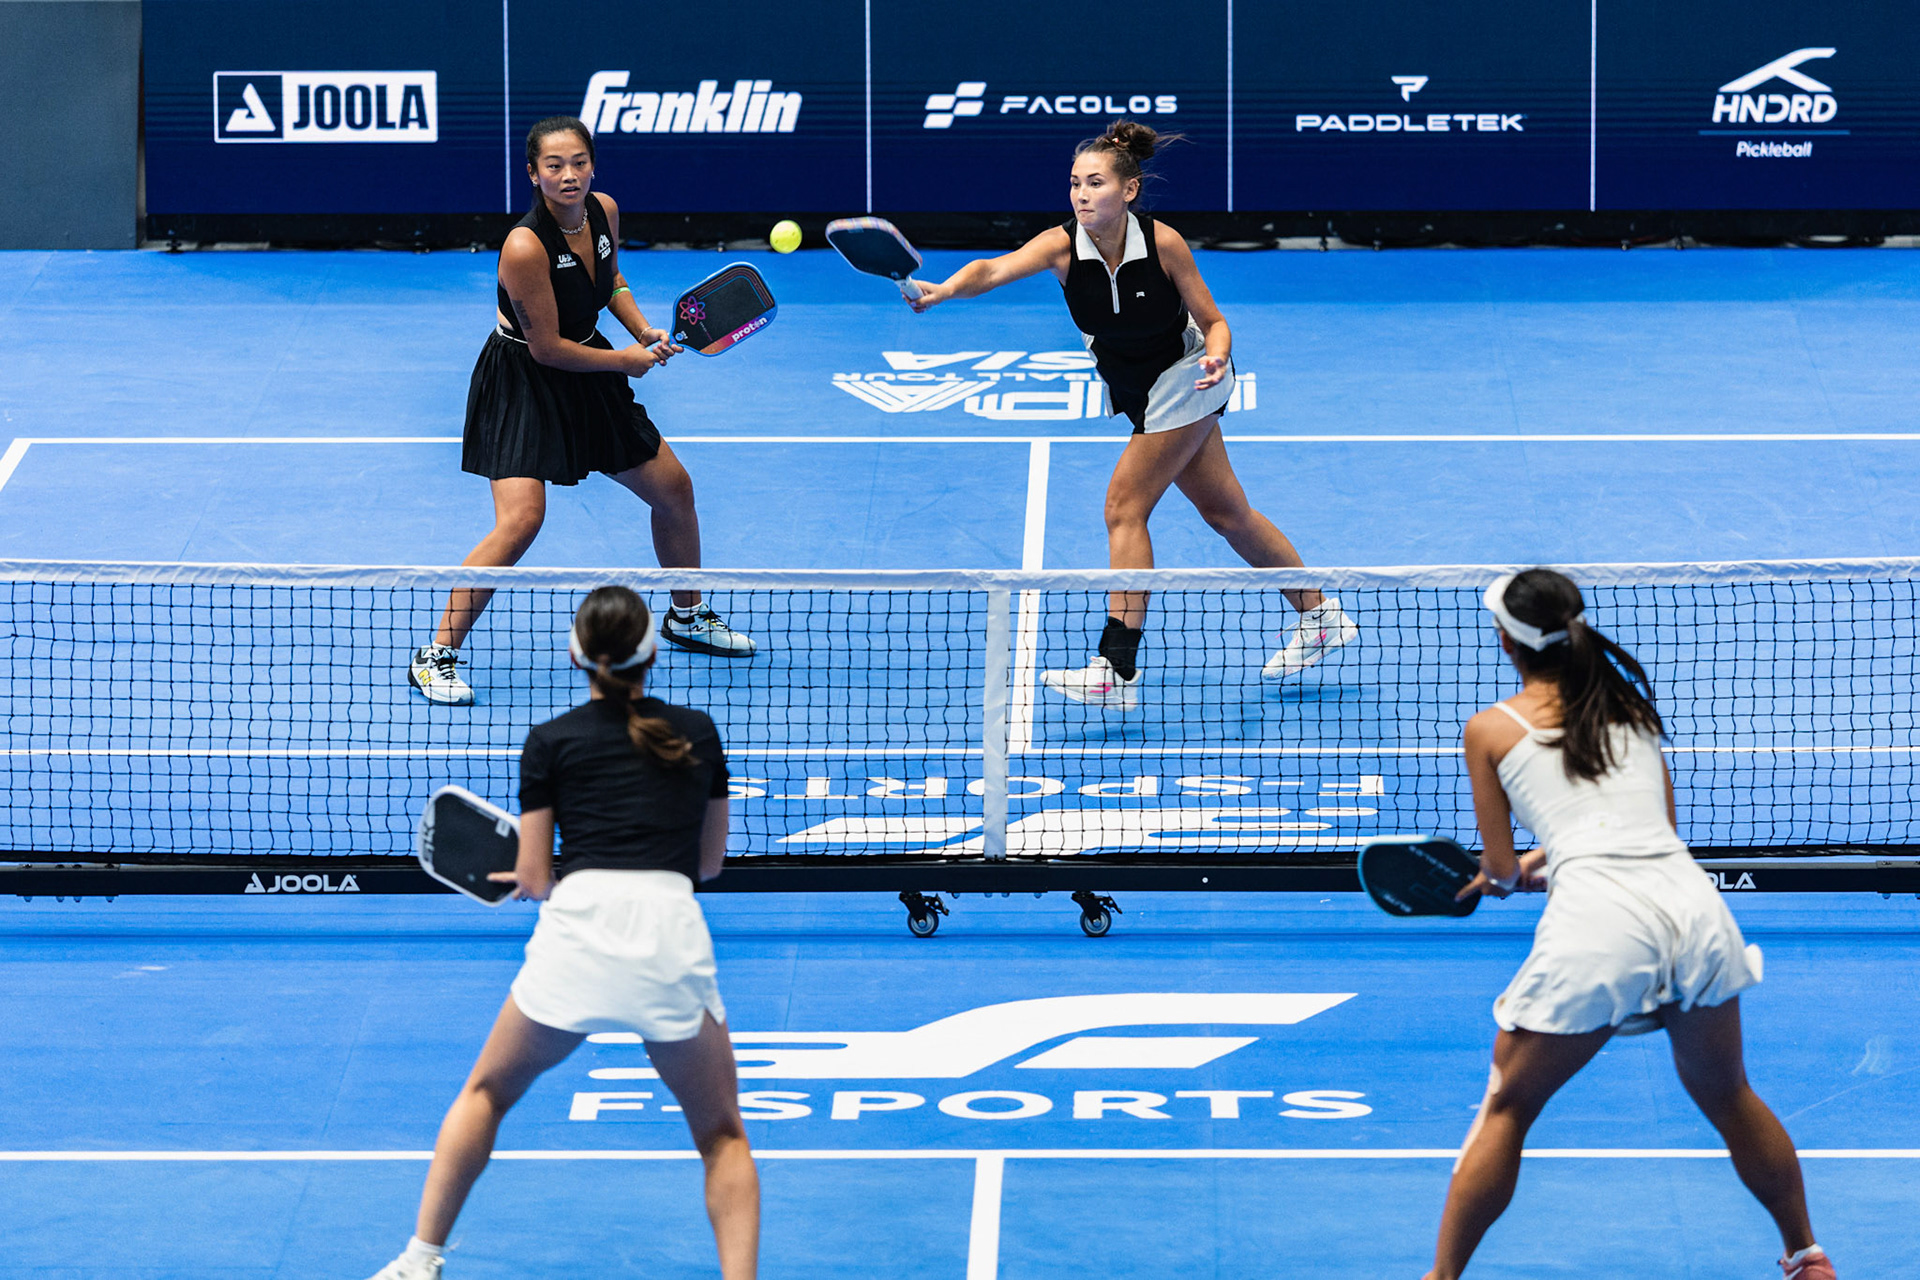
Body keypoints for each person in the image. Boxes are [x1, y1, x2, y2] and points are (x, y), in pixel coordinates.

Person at [1426, 568, 1834, 1280]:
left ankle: (1441, 1278)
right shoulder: (1630, 710)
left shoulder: (1490, 730)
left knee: (1507, 1106)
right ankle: (1808, 1255)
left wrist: (1506, 877)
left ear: (1506, 641)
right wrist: (1548, 861)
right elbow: (1651, 830)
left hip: (1600, 924)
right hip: (1693, 909)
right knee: (1728, 1094)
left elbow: (1495, 872)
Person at [368, 586, 758, 1279]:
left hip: (577, 933)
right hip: (668, 935)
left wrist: (540, 869)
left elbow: (537, 880)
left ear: (577, 655)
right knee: (723, 1136)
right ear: (653, 653)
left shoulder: (550, 742)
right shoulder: (698, 733)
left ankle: (418, 1261)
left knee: (486, 1093)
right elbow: (708, 864)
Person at [905, 120, 1354, 711]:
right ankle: (1321, 616)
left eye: (1094, 183)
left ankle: (1116, 668)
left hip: (1189, 375)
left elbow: (1214, 320)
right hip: (1140, 390)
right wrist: (943, 290)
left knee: (1124, 506)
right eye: (1074, 184)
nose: (1081, 195)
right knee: (1227, 513)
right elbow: (992, 268)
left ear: (1129, 190)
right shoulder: (1062, 246)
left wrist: (1218, 358)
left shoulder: (1162, 242)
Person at [408, 115, 751, 706]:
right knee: (521, 520)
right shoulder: (523, 246)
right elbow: (547, 349)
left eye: (579, 163)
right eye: (554, 166)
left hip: (590, 361)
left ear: (593, 164)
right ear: (533, 174)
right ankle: (436, 653)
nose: (569, 176)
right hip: (524, 380)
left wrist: (642, 329)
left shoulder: (603, 211)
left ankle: (687, 616)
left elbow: (612, 278)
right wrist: (625, 361)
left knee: (674, 489)